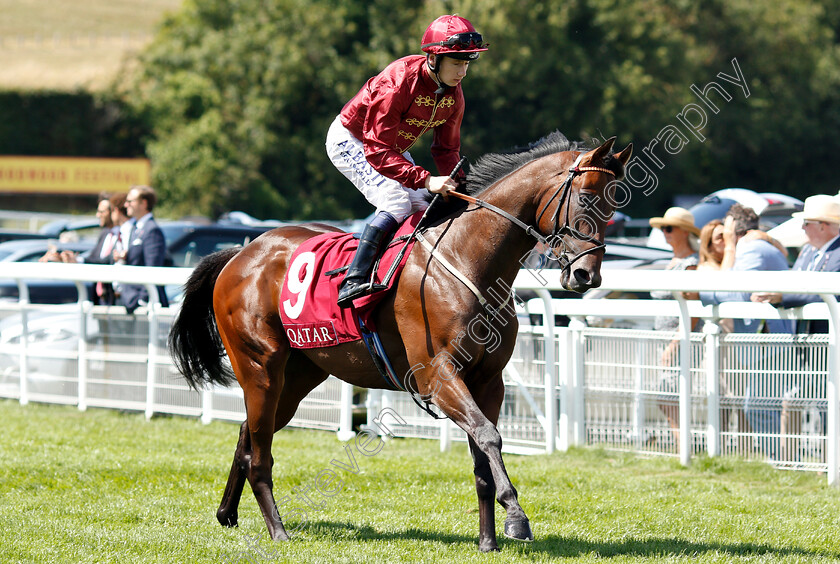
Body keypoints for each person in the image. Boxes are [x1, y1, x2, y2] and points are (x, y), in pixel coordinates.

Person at [325, 14, 488, 308]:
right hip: (353, 140)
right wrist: (426, 179)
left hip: (389, 149)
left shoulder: (454, 95)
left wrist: (464, 187)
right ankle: (355, 278)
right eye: (456, 62)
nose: (463, 71)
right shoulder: (397, 81)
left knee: (423, 207)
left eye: (467, 63)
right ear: (434, 58)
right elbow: (375, 148)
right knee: (396, 202)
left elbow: (446, 150)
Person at [751, 194, 840, 457]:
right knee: (804, 400)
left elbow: (829, 293)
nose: (802, 229)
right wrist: (775, 296)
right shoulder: (809, 253)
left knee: (827, 403)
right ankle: (805, 462)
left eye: (806, 224)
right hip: (808, 342)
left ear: (823, 226)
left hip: (829, 343)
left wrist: (781, 296)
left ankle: (830, 462)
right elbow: (799, 288)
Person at [698, 203, 790, 460]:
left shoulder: (751, 249)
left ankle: (778, 463)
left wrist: (703, 290)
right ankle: (781, 462)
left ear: (733, 230)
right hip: (769, 342)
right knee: (766, 405)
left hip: (769, 343)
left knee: (759, 406)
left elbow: (733, 293)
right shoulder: (758, 246)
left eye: (726, 231)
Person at [648, 207, 700, 447]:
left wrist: (675, 343)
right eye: (662, 228)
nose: (664, 232)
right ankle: (683, 444)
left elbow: (692, 312)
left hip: (678, 339)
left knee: (669, 394)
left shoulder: (691, 265)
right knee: (666, 394)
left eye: (669, 228)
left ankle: (684, 445)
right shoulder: (674, 261)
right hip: (666, 337)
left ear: (684, 232)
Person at [116, 185, 169, 313]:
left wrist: (142, 300)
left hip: (143, 305)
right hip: (130, 300)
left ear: (143, 203)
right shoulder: (136, 228)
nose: (126, 204)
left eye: (130, 201)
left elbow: (153, 268)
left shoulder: (152, 230)